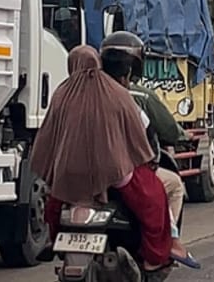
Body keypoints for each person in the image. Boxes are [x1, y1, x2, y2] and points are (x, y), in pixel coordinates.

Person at [30, 45, 174, 277]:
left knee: (53, 204)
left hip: (68, 174)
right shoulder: (116, 93)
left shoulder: (61, 94)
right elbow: (137, 132)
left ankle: (52, 239)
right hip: (114, 173)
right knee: (153, 199)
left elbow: (47, 137)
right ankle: (154, 258)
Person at [99, 31, 196, 267]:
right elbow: (160, 132)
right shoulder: (135, 96)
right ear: (132, 68)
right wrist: (183, 137)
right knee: (170, 186)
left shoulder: (76, 93)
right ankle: (167, 244)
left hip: (80, 174)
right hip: (123, 172)